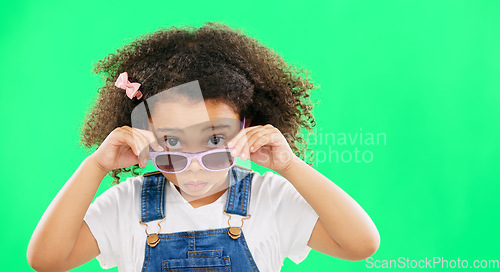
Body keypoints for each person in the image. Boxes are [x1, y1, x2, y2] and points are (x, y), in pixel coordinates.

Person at [27, 21, 380, 272]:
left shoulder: (269, 198)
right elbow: (47, 261)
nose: (193, 165)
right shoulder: (128, 204)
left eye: (214, 140)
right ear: (145, 135)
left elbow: (360, 245)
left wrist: (290, 166)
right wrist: (96, 166)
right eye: (173, 142)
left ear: (248, 126)